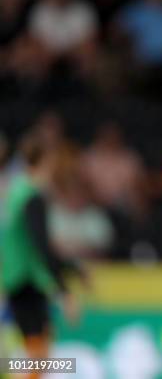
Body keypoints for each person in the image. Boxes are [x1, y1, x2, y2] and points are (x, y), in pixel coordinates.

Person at [0, 132, 83, 379]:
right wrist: (64, 290)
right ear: (46, 161)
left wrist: (71, 268)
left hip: (15, 279)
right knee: (38, 353)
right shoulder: (32, 197)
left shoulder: (16, 191)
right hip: (27, 281)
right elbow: (41, 247)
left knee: (35, 353)